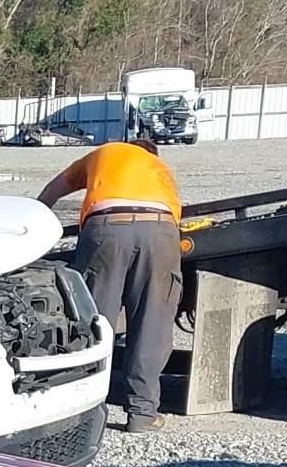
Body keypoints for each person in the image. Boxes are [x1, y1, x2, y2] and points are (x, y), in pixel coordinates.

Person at [38, 137, 182, 433]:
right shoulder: (160, 167)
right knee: (152, 323)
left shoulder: (105, 152)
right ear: (151, 153)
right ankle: (142, 414)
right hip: (161, 230)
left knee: (94, 320)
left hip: (107, 228)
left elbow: (55, 189)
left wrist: (33, 220)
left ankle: (84, 411)